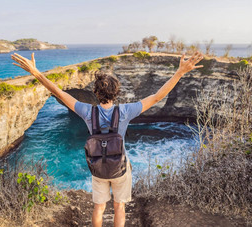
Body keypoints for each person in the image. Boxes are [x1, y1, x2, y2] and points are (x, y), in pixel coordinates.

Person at [11, 51, 204, 227]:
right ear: (116, 93)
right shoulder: (126, 111)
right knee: (119, 207)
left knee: (99, 208)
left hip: (98, 168)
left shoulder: (87, 111)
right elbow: (156, 97)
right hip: (120, 168)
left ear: (95, 93)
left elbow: (58, 92)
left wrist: (35, 72)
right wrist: (179, 72)